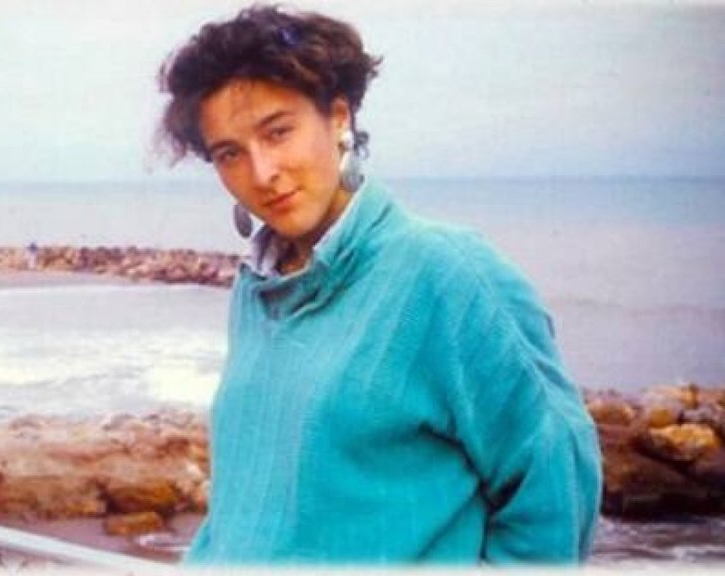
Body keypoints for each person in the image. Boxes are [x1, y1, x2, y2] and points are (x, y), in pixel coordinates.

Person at [157, 5, 601, 566]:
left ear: (338, 118)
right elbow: (246, 505)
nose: (263, 172)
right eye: (230, 153)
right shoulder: (259, 287)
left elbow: (557, 491)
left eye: (279, 132)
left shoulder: (449, 274)